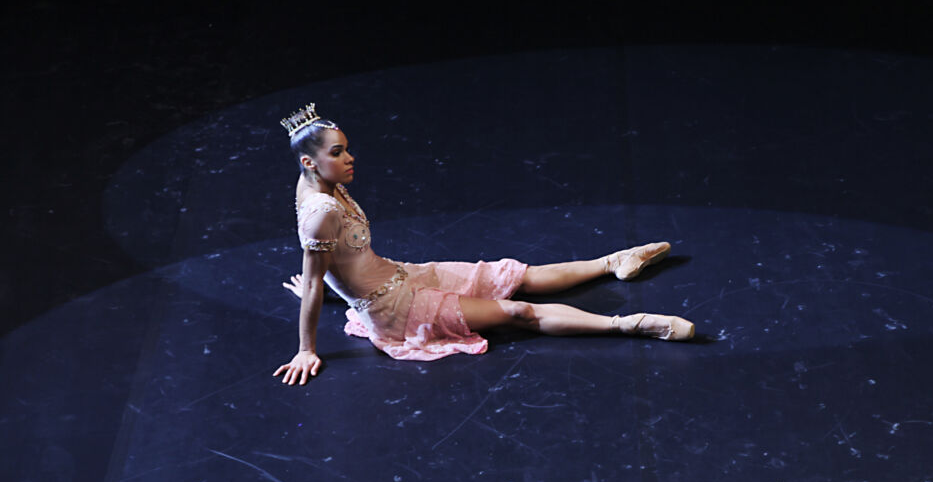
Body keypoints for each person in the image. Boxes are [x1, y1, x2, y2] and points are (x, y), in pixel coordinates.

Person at [273, 104, 694, 385]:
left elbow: (329, 261)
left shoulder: (314, 181)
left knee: (511, 274)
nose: (350, 159)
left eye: (347, 149)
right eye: (338, 152)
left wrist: (331, 286)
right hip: (394, 308)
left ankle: (612, 262)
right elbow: (313, 273)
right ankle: (633, 324)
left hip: (404, 274)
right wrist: (306, 348)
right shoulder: (321, 209)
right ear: (310, 162)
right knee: (518, 312)